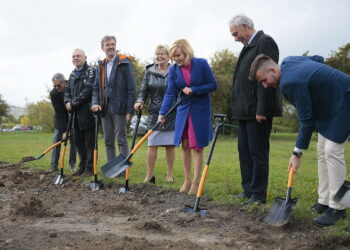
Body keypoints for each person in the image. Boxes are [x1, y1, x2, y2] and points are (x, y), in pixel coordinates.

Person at [249, 54, 350, 227]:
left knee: (332, 151)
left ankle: (338, 209)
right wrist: (320, 83)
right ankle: (324, 201)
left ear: (273, 70)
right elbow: (318, 59)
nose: (265, 85)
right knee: (321, 150)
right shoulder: (289, 61)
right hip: (329, 108)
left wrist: (297, 153)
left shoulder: (290, 83)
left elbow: (306, 120)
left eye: (264, 80)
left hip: (344, 100)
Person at [228, 14, 282, 204]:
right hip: (244, 110)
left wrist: (262, 108)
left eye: (236, 34)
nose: (235, 38)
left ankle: (258, 194)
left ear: (245, 26)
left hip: (257, 111)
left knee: (257, 152)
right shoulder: (247, 47)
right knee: (244, 151)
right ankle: (248, 190)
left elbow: (267, 78)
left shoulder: (265, 42)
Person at [158, 39, 217, 195]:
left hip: (200, 111)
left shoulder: (201, 64)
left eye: (178, 55)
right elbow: (170, 92)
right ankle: (187, 179)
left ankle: (197, 182)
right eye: (173, 57)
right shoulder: (174, 70)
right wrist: (162, 113)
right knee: (184, 145)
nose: (176, 59)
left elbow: (212, 85)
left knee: (197, 146)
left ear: (186, 51)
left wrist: (194, 89)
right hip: (183, 111)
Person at [91, 35, 136, 164]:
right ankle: (112, 167)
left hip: (120, 107)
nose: (110, 47)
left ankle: (123, 167)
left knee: (121, 139)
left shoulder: (125, 63)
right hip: (105, 108)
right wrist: (95, 103)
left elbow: (132, 89)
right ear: (102, 48)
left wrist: (130, 110)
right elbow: (96, 88)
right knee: (108, 140)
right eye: (107, 45)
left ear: (115, 46)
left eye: (112, 44)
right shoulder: (101, 66)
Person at [134, 44, 175, 184]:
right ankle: (149, 175)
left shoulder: (175, 70)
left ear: (168, 56)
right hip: (154, 112)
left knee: (170, 145)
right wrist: (139, 101)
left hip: (171, 112)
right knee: (152, 144)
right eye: (157, 54)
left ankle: (170, 174)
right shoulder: (149, 72)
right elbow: (143, 90)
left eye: (163, 54)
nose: (160, 56)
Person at [64, 49, 96, 177]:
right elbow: (67, 91)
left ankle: (90, 168)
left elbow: (88, 90)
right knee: (78, 142)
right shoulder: (72, 74)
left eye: (78, 56)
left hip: (88, 113)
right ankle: (82, 167)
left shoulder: (91, 71)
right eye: (73, 56)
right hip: (75, 116)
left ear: (85, 57)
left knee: (89, 143)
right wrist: (67, 101)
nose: (76, 58)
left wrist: (73, 103)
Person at [50, 73, 76, 172]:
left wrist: (69, 130)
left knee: (73, 140)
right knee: (57, 139)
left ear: (65, 82)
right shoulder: (53, 93)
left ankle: (72, 164)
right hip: (60, 119)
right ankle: (54, 165)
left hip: (73, 117)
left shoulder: (72, 88)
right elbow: (60, 112)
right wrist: (65, 130)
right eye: (54, 85)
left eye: (58, 85)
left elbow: (73, 109)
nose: (56, 87)